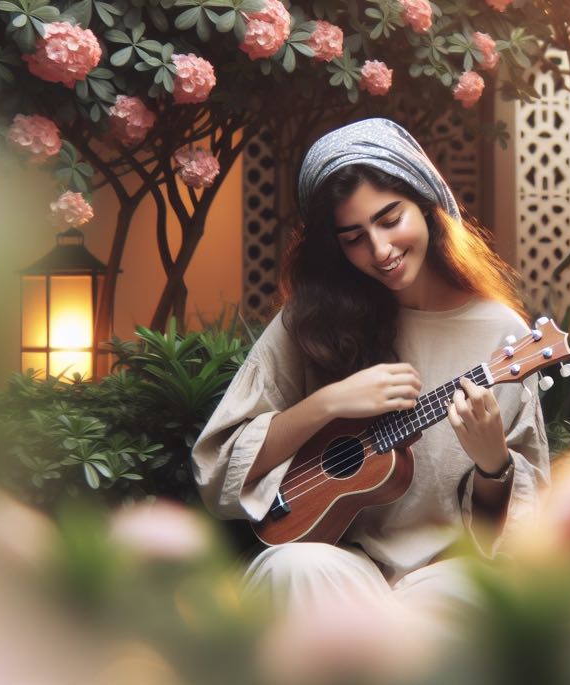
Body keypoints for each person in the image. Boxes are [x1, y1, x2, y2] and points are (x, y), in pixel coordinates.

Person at [191, 117, 550, 619]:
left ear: (427, 205)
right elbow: (221, 468)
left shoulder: (501, 335)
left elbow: (508, 535)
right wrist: (328, 402)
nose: (380, 251)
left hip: (447, 568)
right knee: (290, 569)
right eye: (353, 237)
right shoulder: (310, 320)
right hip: (341, 562)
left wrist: (495, 464)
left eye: (390, 219)